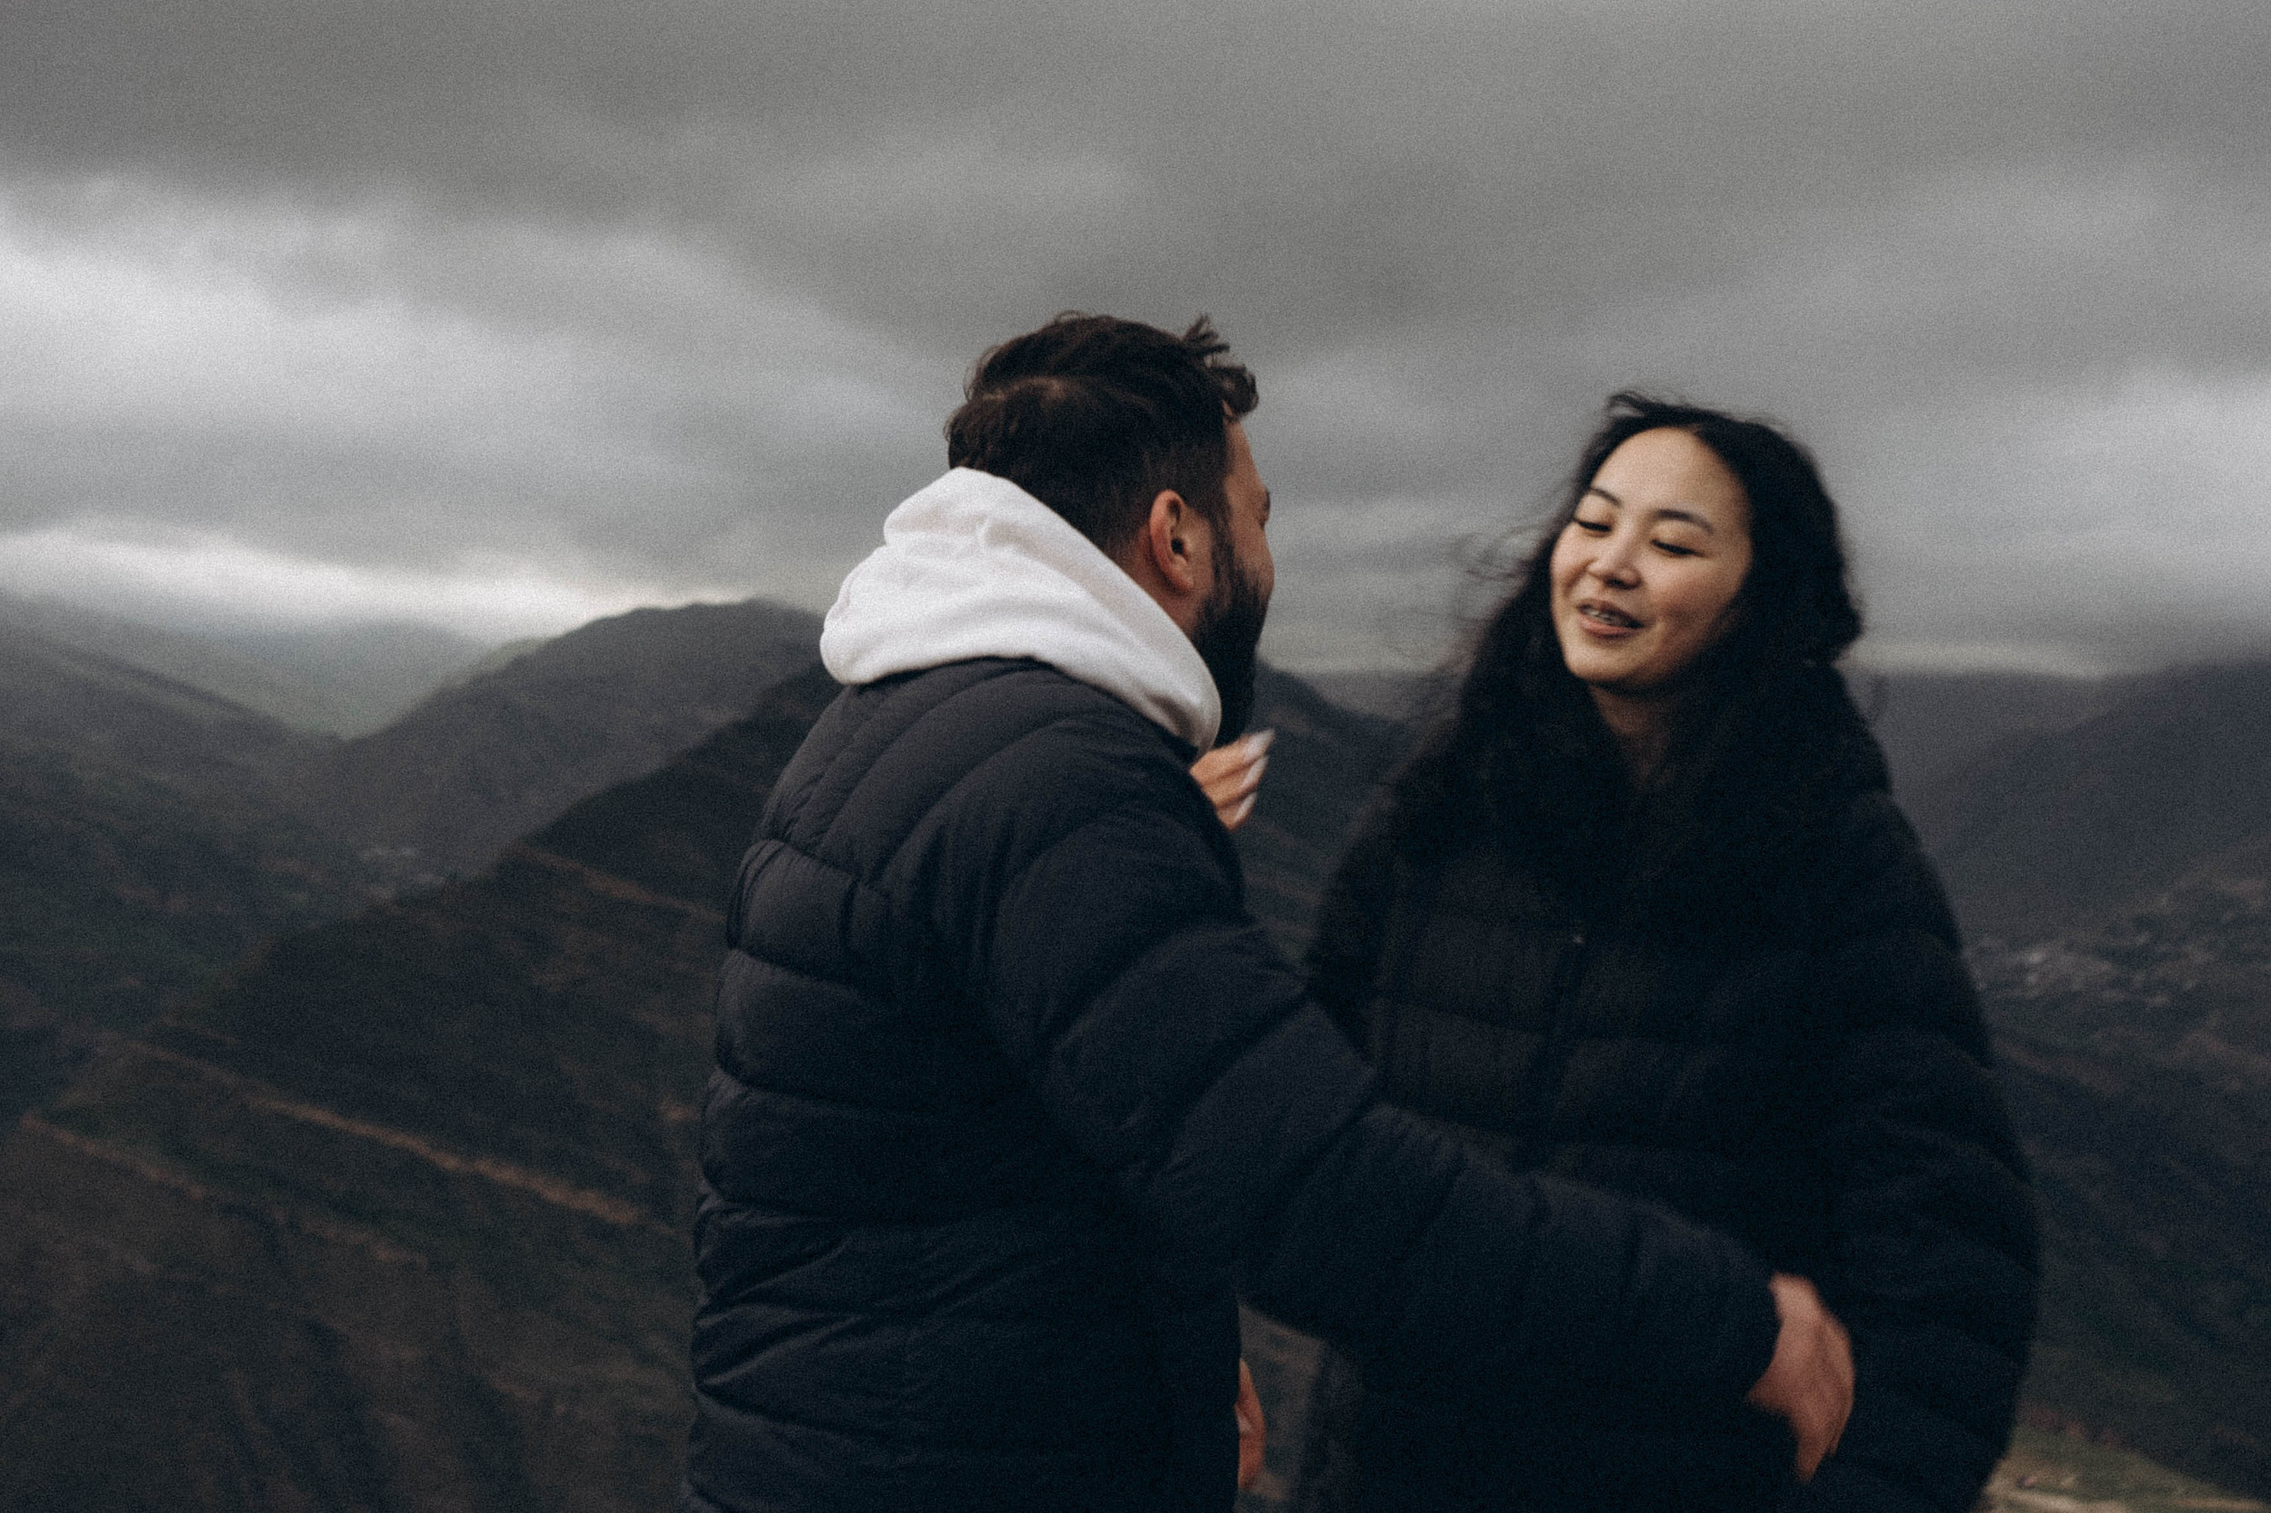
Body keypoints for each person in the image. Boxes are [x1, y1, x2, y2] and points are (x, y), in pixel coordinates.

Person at [683, 320, 1855, 1513]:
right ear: (1177, 537)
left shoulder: (909, 722)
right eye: (1259, 515)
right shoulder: (1057, 789)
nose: (1266, 552)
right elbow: (1314, 1189)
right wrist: (1727, 1319)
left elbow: (996, 1154)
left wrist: (1162, 1373)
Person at [1297, 394, 2040, 1511]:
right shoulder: (1441, 812)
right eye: (1593, 524)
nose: (1611, 565)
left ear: (1756, 601)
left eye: (1674, 542)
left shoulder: (1832, 857)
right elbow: (1299, 1128)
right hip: (1391, 1473)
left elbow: (1947, 1250)